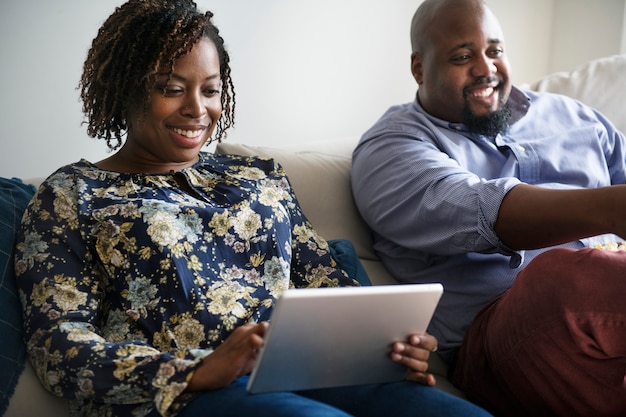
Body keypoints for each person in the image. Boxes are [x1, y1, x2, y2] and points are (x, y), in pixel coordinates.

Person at [13, 1, 493, 416]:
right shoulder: (74, 194)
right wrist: (193, 371)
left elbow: (329, 286)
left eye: (210, 89)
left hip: (318, 371)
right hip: (185, 396)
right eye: (172, 88)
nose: (197, 109)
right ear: (126, 89)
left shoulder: (257, 176)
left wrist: (389, 344)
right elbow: (59, 345)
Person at [351, 0, 626, 416]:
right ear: (419, 67)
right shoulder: (391, 149)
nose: (486, 68)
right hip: (502, 336)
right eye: (463, 56)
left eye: (494, 50)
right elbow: (485, 211)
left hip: (612, 307)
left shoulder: (572, 115)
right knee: (558, 278)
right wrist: (611, 207)